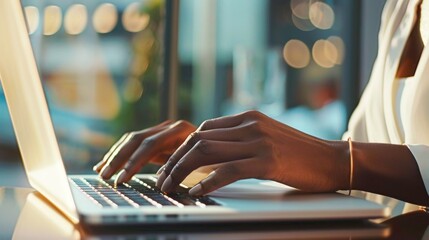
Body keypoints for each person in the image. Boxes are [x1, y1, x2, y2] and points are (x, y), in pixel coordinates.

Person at [94, 0, 429, 212]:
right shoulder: (399, 8)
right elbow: (357, 153)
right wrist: (223, 151)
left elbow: (346, 162)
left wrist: (339, 160)